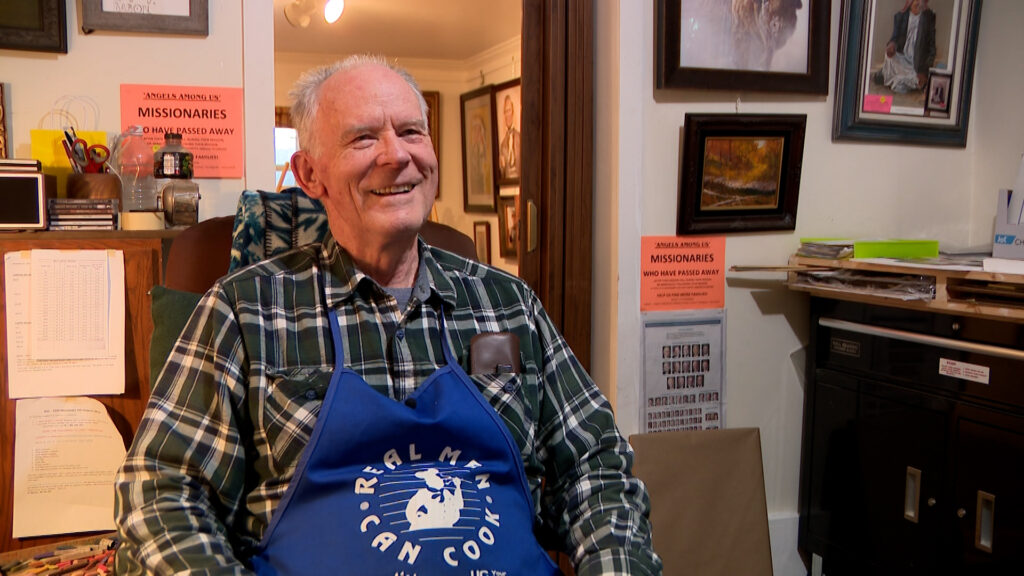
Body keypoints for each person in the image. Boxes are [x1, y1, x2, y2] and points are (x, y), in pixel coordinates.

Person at [114, 54, 661, 575]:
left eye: (411, 132)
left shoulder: (507, 303)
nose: (396, 155)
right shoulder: (245, 309)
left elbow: (597, 467)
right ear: (310, 174)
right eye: (363, 138)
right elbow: (161, 491)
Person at [873, 0, 937, 93]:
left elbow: (932, 47)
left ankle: (896, 77)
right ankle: (908, 79)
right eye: (916, 0)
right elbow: (894, 38)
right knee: (889, 57)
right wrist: (892, 45)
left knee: (905, 82)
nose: (918, 3)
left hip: (917, 64)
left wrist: (925, 68)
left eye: (921, 0)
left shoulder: (929, 17)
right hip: (902, 59)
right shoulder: (900, 16)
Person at [498, 93, 521, 180]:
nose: (507, 115)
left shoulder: (520, 138)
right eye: (505, 111)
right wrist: (502, 167)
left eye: (509, 110)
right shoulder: (502, 144)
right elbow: (502, 175)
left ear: (513, 111)